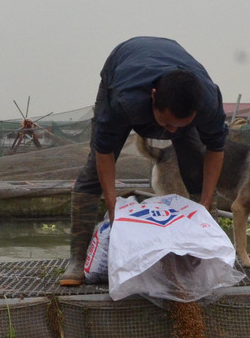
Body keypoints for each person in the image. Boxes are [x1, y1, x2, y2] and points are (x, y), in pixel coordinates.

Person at [58, 37, 228, 286]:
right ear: (153, 97)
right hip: (122, 65)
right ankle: (77, 258)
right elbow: (104, 154)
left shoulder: (208, 102)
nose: (170, 132)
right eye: (167, 123)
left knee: (196, 166)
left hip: (177, 71)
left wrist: (205, 205)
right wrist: (113, 207)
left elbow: (216, 148)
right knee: (92, 174)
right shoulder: (123, 100)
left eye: (179, 126)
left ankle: (206, 251)